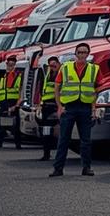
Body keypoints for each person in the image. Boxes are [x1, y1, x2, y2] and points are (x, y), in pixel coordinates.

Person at [51, 42, 99, 178]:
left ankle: (86, 167)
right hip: (69, 108)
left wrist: (94, 108)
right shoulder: (66, 68)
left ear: (88, 54)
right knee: (63, 139)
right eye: (80, 52)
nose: (82, 55)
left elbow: (97, 89)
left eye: (84, 52)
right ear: (75, 54)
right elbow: (57, 86)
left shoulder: (94, 69)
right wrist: (59, 106)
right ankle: (58, 168)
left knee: (86, 140)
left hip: (85, 107)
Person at [0, 55, 24, 150]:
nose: (10, 67)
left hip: (13, 103)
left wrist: (16, 105)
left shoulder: (18, 77)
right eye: (8, 65)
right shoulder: (3, 78)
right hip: (2, 103)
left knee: (15, 126)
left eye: (12, 65)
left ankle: (18, 145)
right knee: (0, 125)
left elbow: (21, 93)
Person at [38, 56, 61, 161]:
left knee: (59, 131)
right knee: (46, 132)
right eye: (51, 65)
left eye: (54, 65)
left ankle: (59, 153)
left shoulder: (61, 74)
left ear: (58, 64)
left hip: (56, 105)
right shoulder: (47, 75)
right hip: (46, 106)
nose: (53, 67)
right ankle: (46, 153)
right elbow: (42, 90)